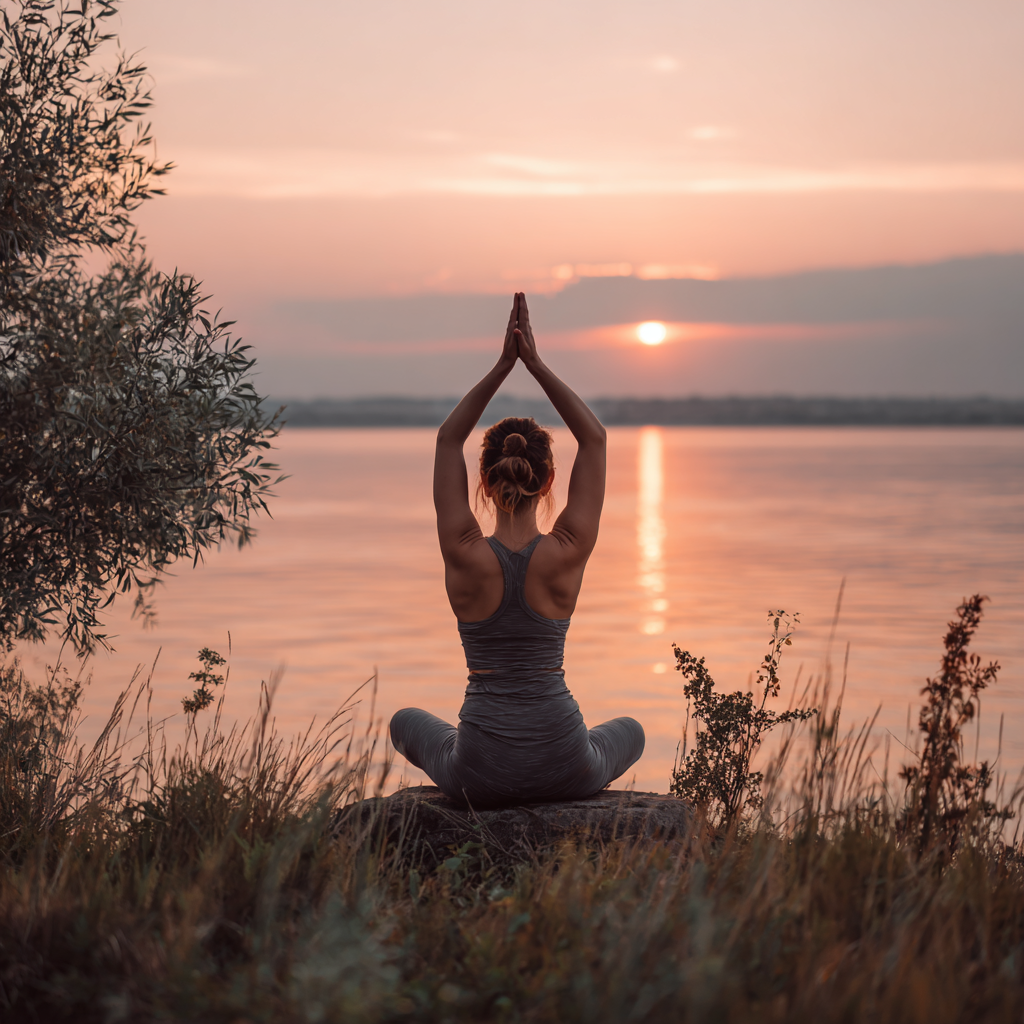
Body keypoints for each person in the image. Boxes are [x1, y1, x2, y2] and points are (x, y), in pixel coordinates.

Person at [389, 293, 645, 808]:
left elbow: (447, 441)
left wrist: (503, 366)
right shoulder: (566, 551)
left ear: (483, 482)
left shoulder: (464, 553)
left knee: (403, 723)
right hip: (566, 762)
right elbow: (594, 440)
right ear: (548, 481)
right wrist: (535, 364)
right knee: (632, 731)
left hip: (479, 773)